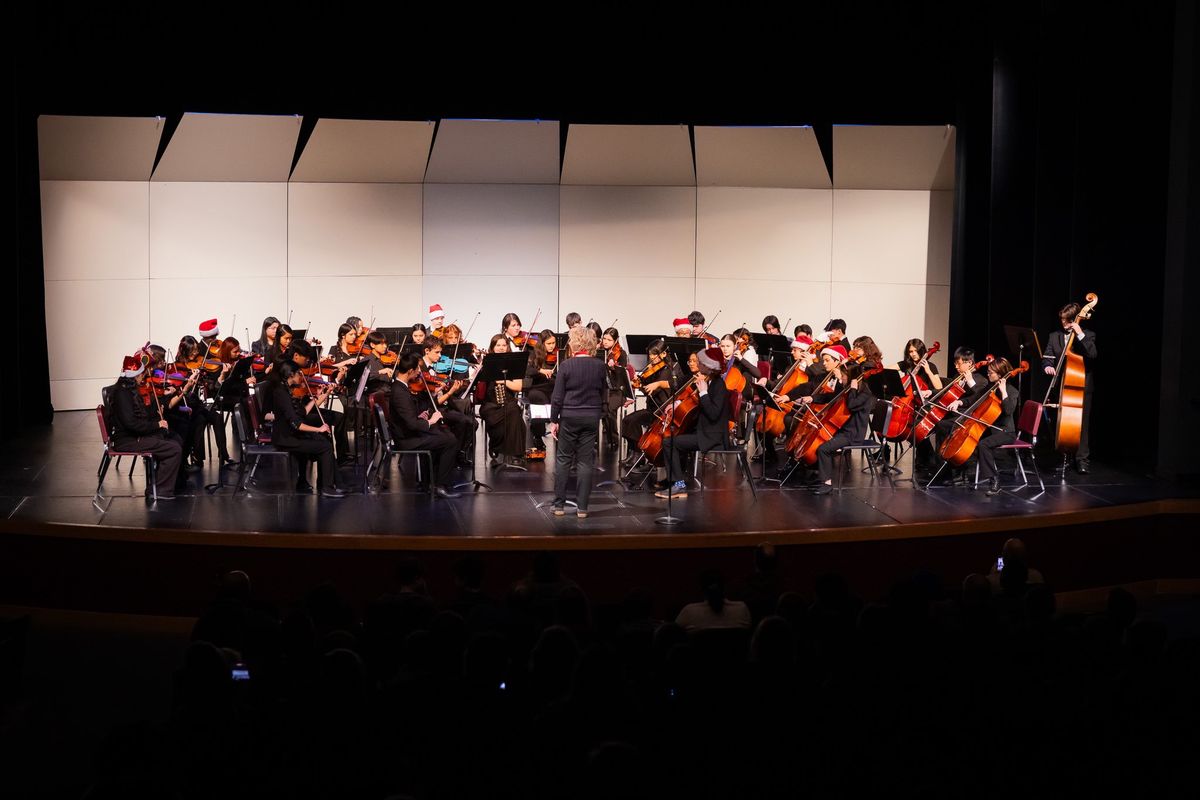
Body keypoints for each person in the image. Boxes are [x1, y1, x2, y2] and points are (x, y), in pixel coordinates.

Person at [106, 354, 184, 500]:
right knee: (173, 449)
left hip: (134, 435)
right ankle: (159, 490)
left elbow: (141, 415)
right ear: (135, 375)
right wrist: (156, 425)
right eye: (142, 374)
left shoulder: (129, 390)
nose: (143, 377)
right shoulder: (123, 394)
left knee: (174, 439)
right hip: (127, 440)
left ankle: (170, 483)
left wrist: (159, 407)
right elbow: (131, 424)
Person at [656, 347, 730, 499]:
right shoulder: (709, 382)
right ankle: (674, 481)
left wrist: (703, 393)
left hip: (712, 436)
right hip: (703, 430)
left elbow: (714, 414)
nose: (699, 365)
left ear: (709, 367)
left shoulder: (719, 386)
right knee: (674, 440)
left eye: (702, 363)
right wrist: (678, 405)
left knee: (670, 443)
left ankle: (679, 485)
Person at [549, 326, 608, 517]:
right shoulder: (600, 365)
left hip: (569, 416)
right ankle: (582, 507)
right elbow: (603, 392)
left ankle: (559, 505)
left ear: (574, 343)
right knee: (585, 462)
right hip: (591, 416)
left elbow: (557, 397)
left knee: (564, 459)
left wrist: (553, 420)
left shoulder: (566, 365)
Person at [267, 361, 345, 497]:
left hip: (291, 435)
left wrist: (322, 395)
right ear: (291, 375)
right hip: (286, 438)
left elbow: (303, 412)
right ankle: (327, 487)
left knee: (323, 440)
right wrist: (318, 429)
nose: (301, 377)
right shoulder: (281, 393)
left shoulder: (285, 390)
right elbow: (296, 424)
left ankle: (332, 483)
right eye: (299, 374)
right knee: (325, 446)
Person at [390, 353, 461, 499]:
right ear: (410, 371)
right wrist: (431, 420)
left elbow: (409, 417)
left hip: (408, 433)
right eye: (417, 370)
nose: (419, 373)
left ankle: (428, 482)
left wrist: (421, 416)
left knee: (444, 435)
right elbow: (411, 424)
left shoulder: (400, 387)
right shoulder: (400, 392)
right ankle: (440, 485)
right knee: (450, 441)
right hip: (406, 440)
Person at [1042, 301, 1097, 473]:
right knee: (1062, 423)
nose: (1063, 323)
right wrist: (1047, 366)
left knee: (1081, 424)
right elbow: (1047, 357)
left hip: (1081, 386)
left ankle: (1082, 460)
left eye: (1067, 320)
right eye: (1062, 320)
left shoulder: (1088, 334)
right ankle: (1064, 456)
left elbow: (1093, 354)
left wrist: (1080, 334)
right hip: (1062, 385)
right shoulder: (1054, 336)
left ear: (1075, 320)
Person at [805, 359, 874, 495]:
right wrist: (813, 398)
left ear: (851, 378)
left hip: (853, 435)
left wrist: (853, 389)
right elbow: (831, 397)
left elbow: (852, 405)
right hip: (843, 431)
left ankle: (827, 484)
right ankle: (821, 476)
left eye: (843, 376)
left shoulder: (865, 393)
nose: (841, 378)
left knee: (823, 449)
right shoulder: (847, 390)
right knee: (817, 444)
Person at [416, 339, 477, 463]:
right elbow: (434, 401)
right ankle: (455, 456)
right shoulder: (420, 368)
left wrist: (447, 387)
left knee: (472, 422)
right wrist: (450, 391)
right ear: (427, 351)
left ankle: (458, 452)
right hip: (432, 410)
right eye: (437, 352)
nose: (440, 356)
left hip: (442, 405)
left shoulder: (432, 368)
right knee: (466, 422)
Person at [479, 333, 529, 467]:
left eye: (504, 345)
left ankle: (512, 453)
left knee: (513, 410)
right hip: (490, 405)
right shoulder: (486, 362)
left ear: (507, 346)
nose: (501, 348)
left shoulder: (514, 363)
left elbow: (518, 386)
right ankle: (500, 447)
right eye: (498, 345)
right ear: (493, 347)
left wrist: (503, 381)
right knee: (513, 414)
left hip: (508, 402)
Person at [975, 357, 1020, 495]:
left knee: (983, 444)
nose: (988, 375)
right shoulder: (990, 387)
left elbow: (1008, 411)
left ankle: (994, 480)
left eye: (990, 373)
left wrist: (1003, 392)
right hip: (992, 429)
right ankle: (961, 476)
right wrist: (959, 403)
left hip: (1006, 432)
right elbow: (974, 399)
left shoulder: (1011, 391)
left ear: (1000, 374)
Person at [525, 329, 559, 453]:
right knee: (538, 399)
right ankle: (538, 436)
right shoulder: (533, 354)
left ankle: (560, 433)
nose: (552, 346)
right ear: (542, 343)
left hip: (553, 386)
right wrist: (540, 371)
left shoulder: (558, 355)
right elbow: (527, 370)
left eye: (554, 343)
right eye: (549, 344)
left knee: (560, 397)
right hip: (537, 387)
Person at [599, 327, 628, 450]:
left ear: (615, 341)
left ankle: (614, 439)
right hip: (601, 389)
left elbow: (623, 374)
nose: (605, 342)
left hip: (617, 390)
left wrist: (614, 368)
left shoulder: (621, 354)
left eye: (609, 340)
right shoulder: (599, 352)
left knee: (609, 407)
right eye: (604, 338)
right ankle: (594, 439)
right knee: (598, 406)